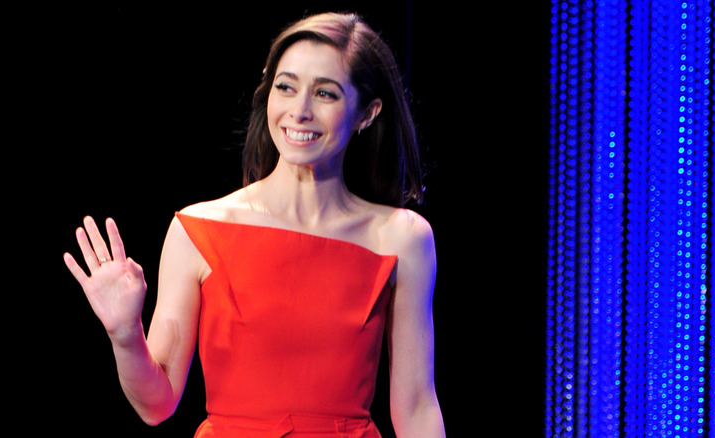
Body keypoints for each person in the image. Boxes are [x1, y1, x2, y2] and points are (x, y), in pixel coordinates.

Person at [63, 12, 445, 438]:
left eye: (325, 94)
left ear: (367, 113)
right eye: (286, 87)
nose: (300, 111)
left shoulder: (402, 237)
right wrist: (124, 333)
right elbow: (156, 404)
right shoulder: (200, 230)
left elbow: (416, 407)